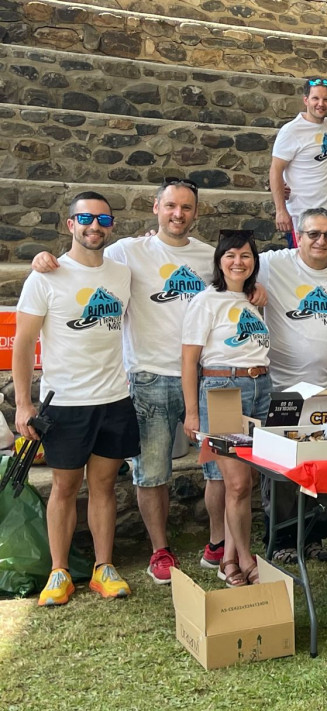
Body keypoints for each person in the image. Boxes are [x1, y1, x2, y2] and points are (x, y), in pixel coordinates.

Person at [29, 178, 217, 585]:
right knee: (149, 473)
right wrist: (43, 258)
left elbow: (237, 282)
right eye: (170, 206)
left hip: (197, 379)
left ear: (196, 213)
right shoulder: (127, 251)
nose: (178, 214)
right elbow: (80, 258)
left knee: (217, 469)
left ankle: (216, 544)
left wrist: (254, 293)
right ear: (156, 207)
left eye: (186, 208)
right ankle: (156, 551)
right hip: (144, 378)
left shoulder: (208, 257)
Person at [14, 191, 137, 606]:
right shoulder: (45, 276)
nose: (94, 227)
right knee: (65, 488)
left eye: (104, 220)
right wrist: (23, 405)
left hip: (115, 398)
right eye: (85, 219)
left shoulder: (122, 274)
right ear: (70, 224)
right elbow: (24, 344)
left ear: (112, 227)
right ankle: (59, 571)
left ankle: (104, 567)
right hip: (64, 402)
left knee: (103, 486)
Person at [259, 207, 327, 562]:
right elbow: (227, 260)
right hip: (285, 389)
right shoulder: (273, 263)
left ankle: (314, 537)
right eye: (313, 234)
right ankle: (282, 542)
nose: (321, 241)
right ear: (298, 235)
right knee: (284, 473)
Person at [182, 233, 271, 587]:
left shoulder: (253, 300)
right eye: (231, 255)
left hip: (259, 388)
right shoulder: (206, 301)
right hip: (222, 391)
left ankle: (230, 558)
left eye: (246, 255)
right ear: (219, 260)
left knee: (247, 480)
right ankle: (245, 558)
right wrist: (192, 412)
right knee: (235, 482)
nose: (239, 262)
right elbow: (189, 361)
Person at [270, 78, 327, 250]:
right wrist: (280, 210)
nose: (321, 104)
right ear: (306, 99)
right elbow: (275, 170)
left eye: (326, 99)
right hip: (302, 215)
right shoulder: (291, 130)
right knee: (302, 270)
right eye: (316, 98)